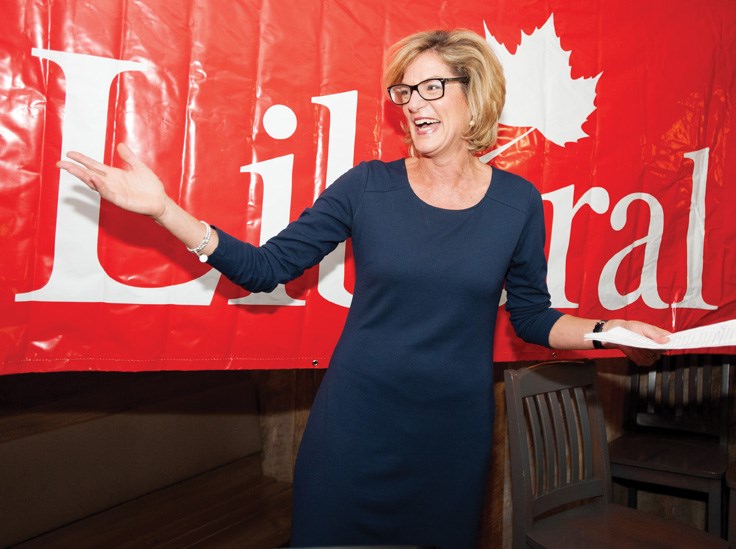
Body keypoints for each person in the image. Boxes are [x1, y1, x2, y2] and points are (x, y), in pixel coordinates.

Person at [58, 28, 670, 549]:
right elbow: (266, 268)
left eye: (433, 87)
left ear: (473, 95)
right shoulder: (366, 188)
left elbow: (533, 318)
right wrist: (165, 210)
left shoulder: (518, 203)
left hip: (452, 442)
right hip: (355, 433)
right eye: (406, 91)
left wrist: (606, 331)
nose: (414, 103)